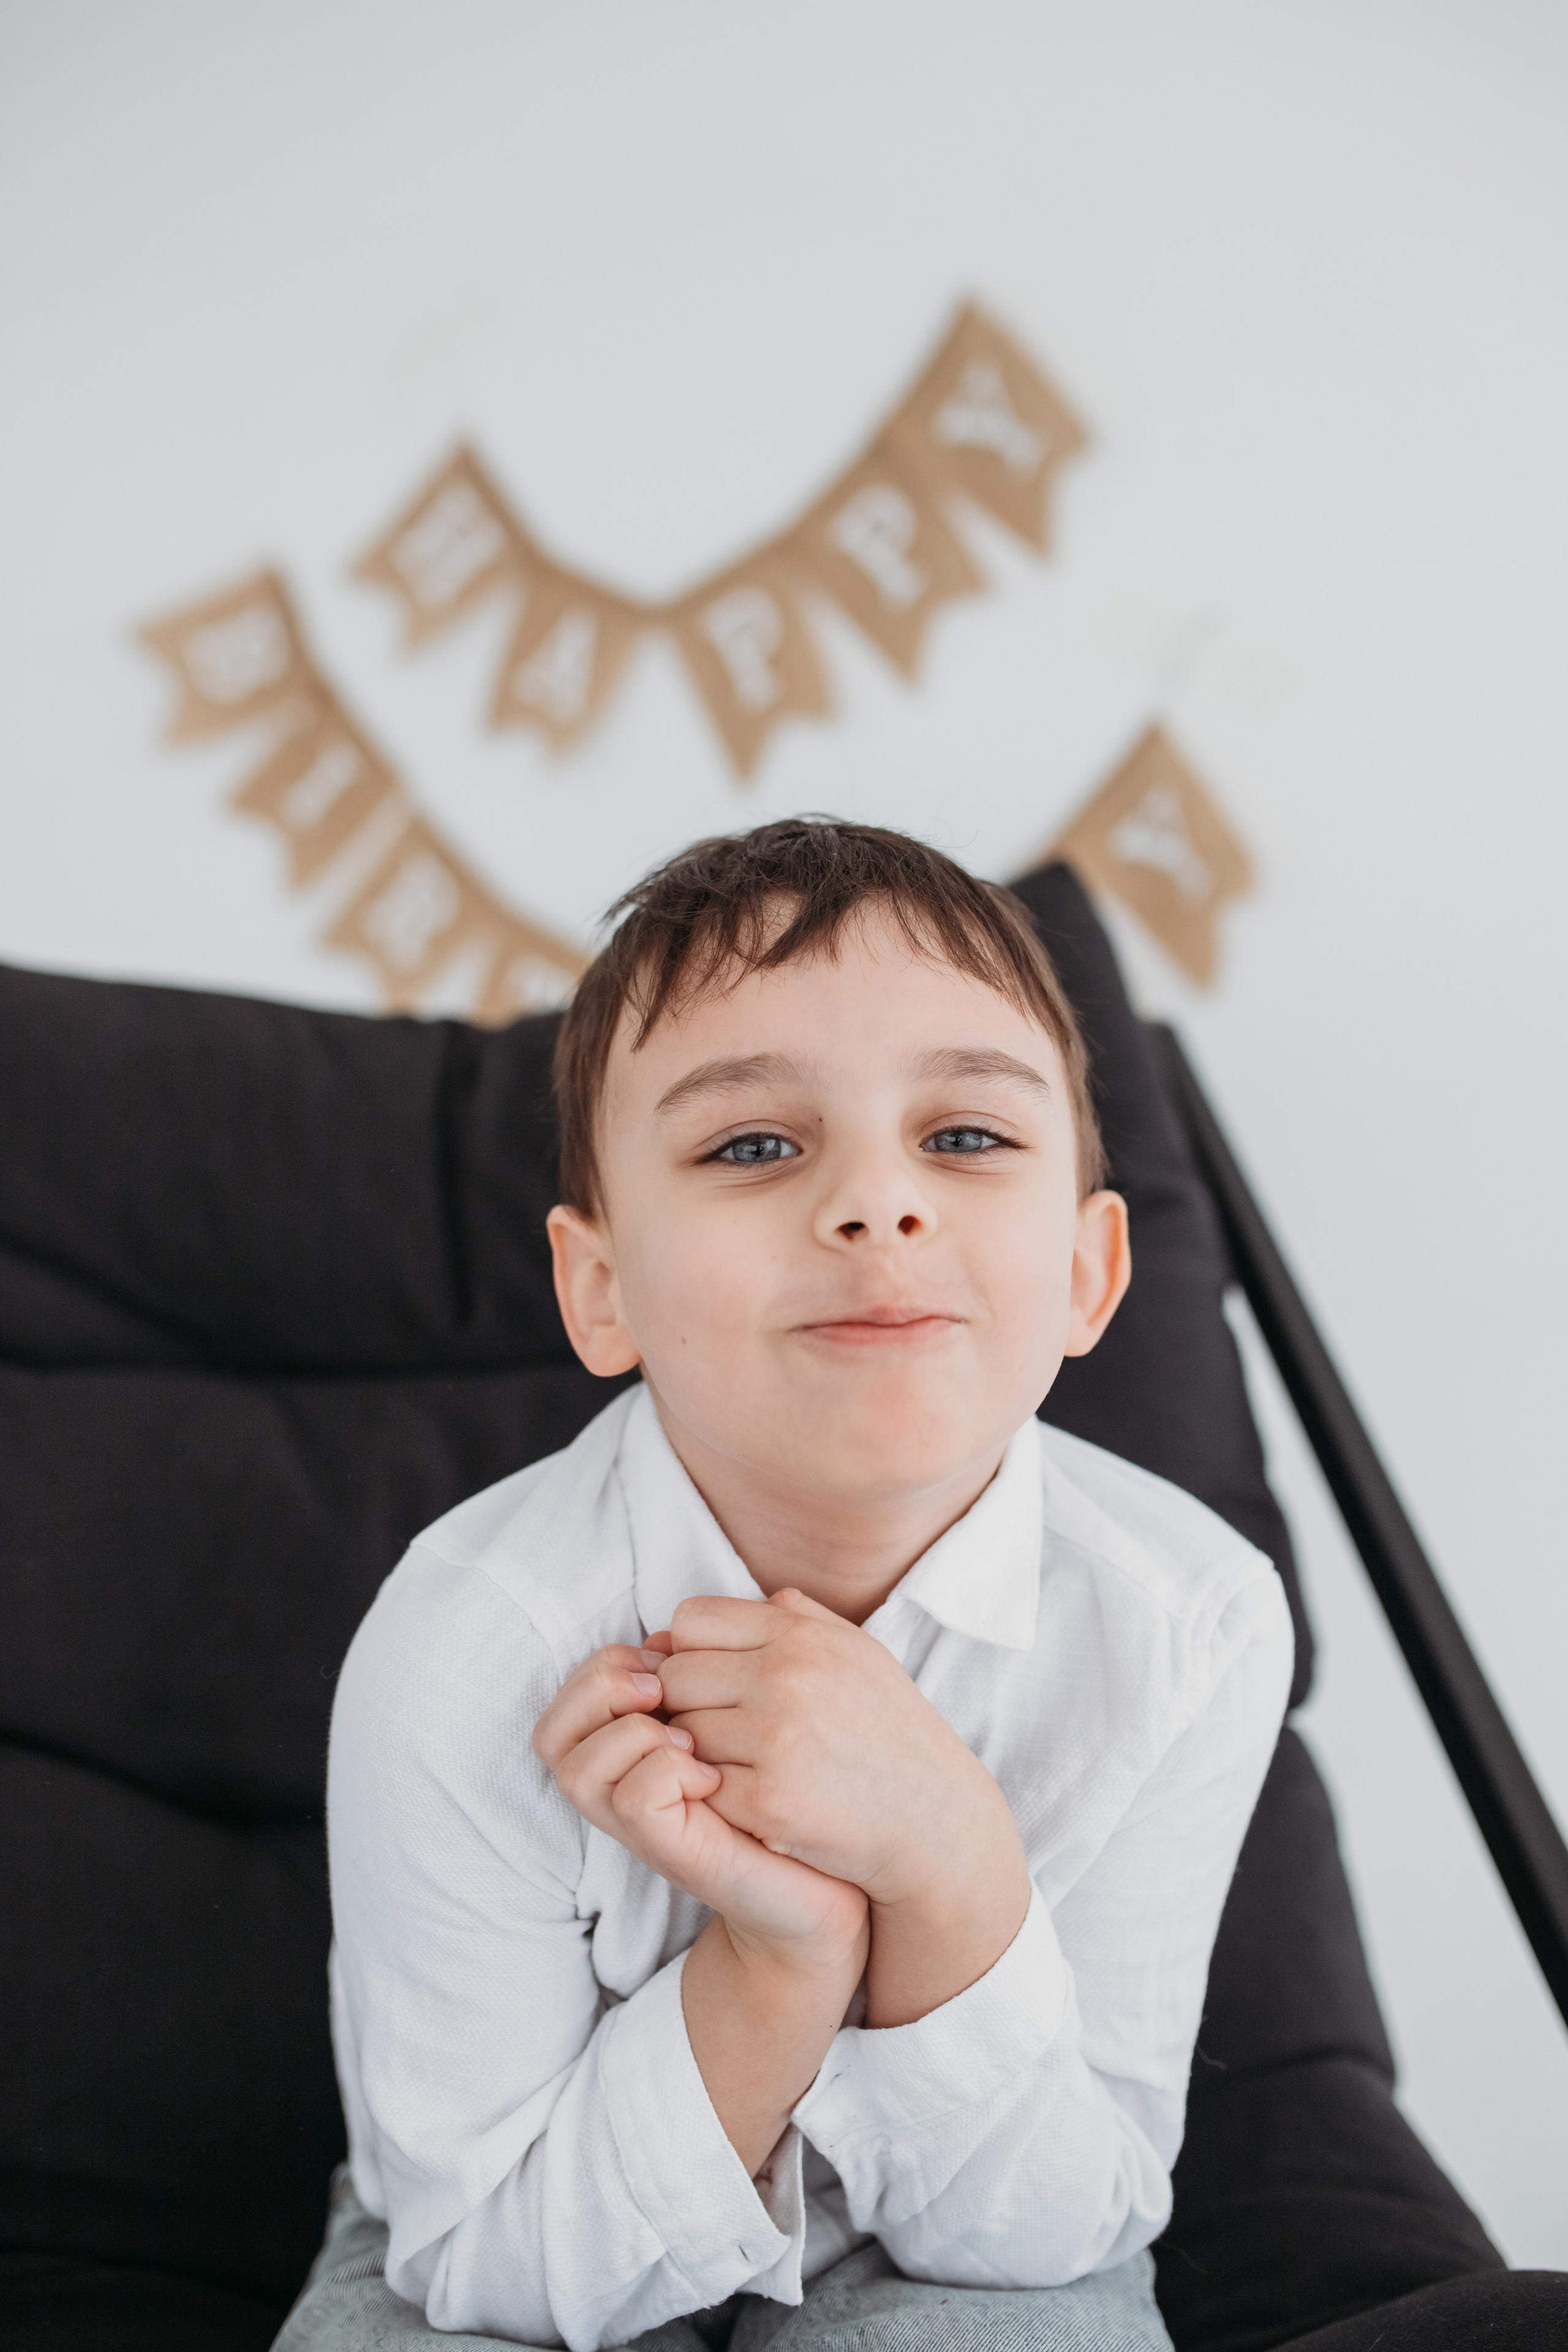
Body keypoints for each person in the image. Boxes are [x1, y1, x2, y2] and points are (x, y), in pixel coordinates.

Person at [277, 819, 1293, 2352]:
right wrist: (780, 1959)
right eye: (754, 1145)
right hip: (523, 2213)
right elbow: (486, 2258)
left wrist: (949, 1871)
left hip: (978, 2226)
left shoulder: (1189, 1623)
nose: (877, 1205)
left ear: (1090, 1274)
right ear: (599, 1288)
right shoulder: (466, 1647)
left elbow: (1052, 2228)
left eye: (963, 1138)